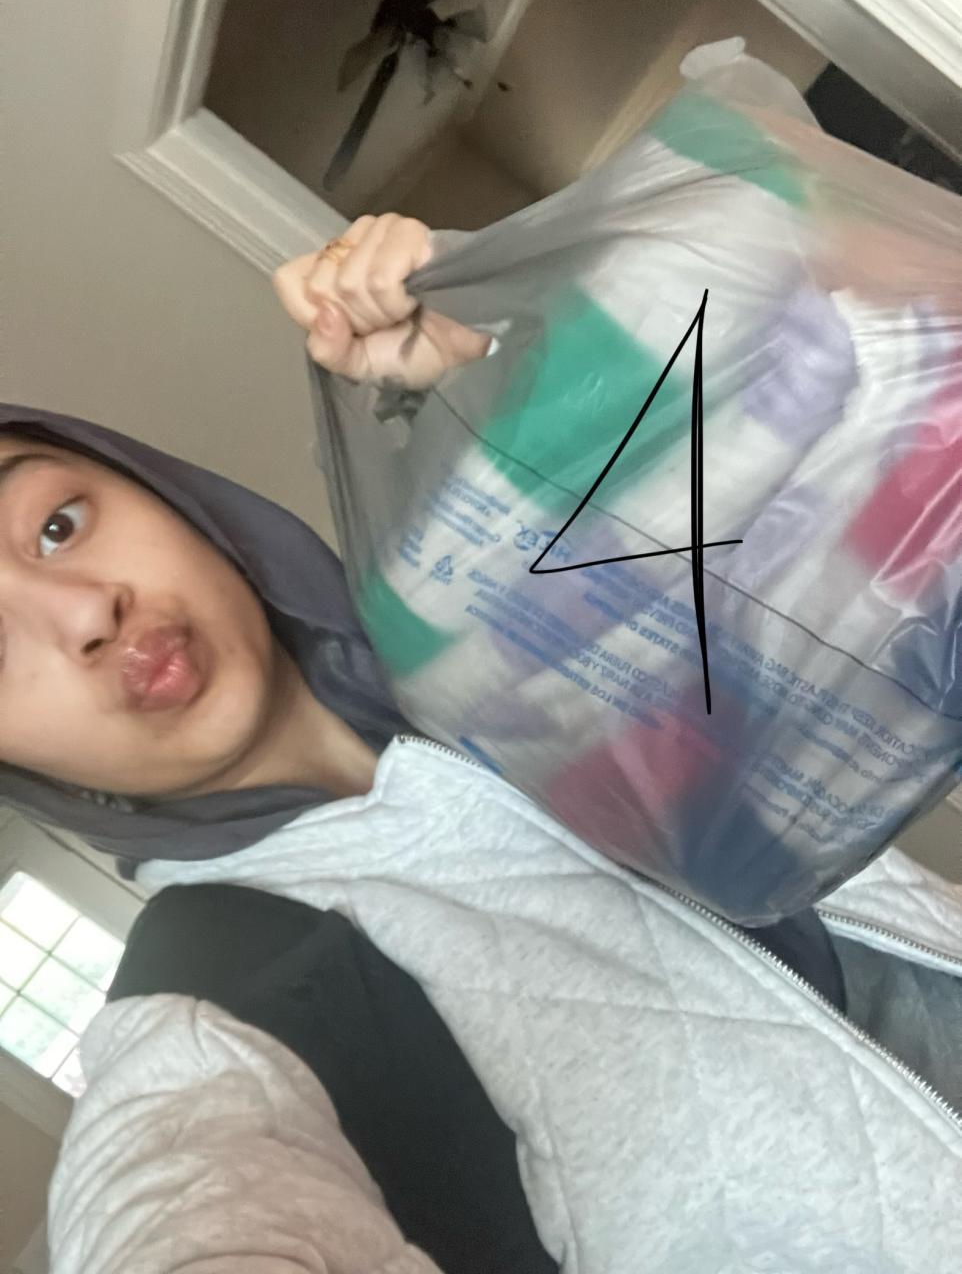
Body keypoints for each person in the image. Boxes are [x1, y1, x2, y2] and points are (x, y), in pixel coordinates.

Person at [1, 215, 960, 1272]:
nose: (83, 612)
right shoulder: (204, 997)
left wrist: (500, 350)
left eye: (57, 525)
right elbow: (175, 1197)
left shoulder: (494, 626)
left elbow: (848, 368)